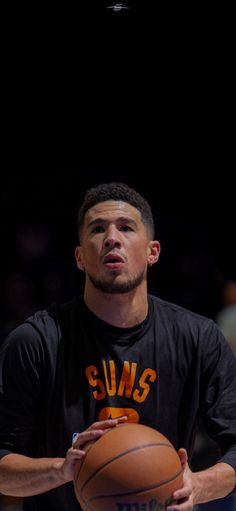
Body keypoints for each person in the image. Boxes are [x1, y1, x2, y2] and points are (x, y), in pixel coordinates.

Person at [0, 182, 235, 511]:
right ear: (80, 257)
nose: (112, 237)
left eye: (126, 227)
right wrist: (62, 469)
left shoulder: (197, 338)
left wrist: (198, 485)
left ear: (153, 251)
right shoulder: (35, 342)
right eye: (97, 229)